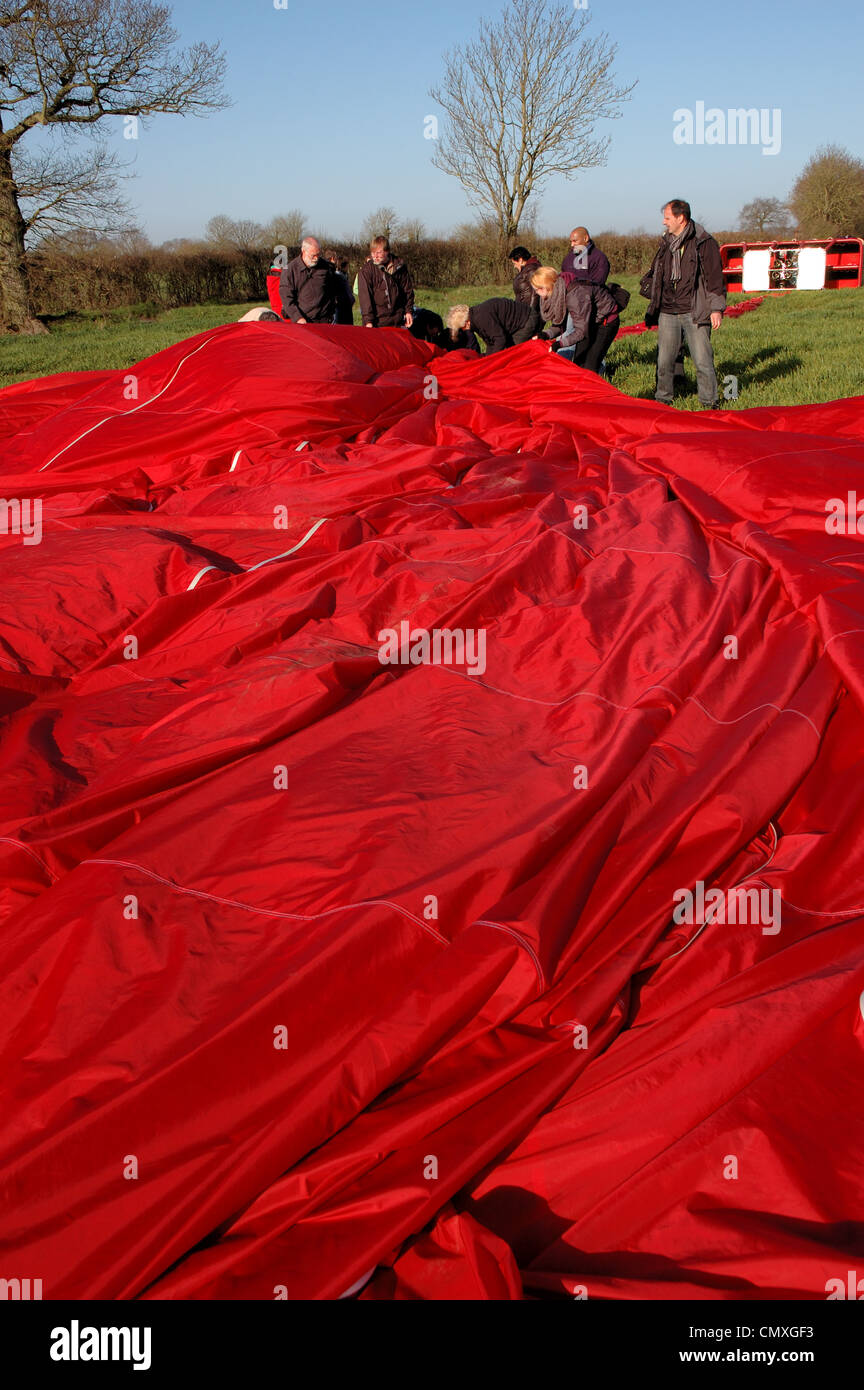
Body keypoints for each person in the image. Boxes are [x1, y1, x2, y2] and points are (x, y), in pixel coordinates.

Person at [640, 199, 726, 408]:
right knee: (664, 360)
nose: (664, 222)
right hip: (668, 310)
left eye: (667, 217)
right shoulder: (665, 243)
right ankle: (662, 400)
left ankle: (709, 402)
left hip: (695, 310)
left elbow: (715, 278)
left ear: (681, 218)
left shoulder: (704, 242)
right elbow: (657, 272)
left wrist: (716, 309)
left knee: (703, 361)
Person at [530, 265, 621, 374]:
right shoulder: (560, 291)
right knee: (578, 364)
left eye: (536, 290)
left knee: (589, 369)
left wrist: (559, 344)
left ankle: (602, 378)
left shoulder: (575, 296)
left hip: (606, 322)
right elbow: (561, 324)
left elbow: (580, 332)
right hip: (589, 322)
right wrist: (545, 334)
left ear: (545, 287)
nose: (536, 293)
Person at [279, 237, 352, 324]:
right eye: (313, 255)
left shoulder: (326, 267)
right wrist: (298, 318)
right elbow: (287, 299)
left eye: (318, 255)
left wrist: (332, 312)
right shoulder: (290, 271)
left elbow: (334, 290)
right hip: (303, 322)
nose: (316, 258)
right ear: (303, 252)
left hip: (325, 321)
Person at [446, 299, 541, 355]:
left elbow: (500, 340)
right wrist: (487, 358)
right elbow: (491, 342)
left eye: (461, 328)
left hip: (526, 320)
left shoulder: (481, 318)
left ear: (466, 323)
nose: (464, 330)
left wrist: (491, 362)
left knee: (514, 352)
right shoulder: (476, 317)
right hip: (517, 322)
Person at [357, 237, 415, 329]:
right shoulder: (366, 271)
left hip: (398, 321)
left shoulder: (400, 267)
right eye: (372, 253)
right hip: (378, 322)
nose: (375, 256)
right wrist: (368, 322)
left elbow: (407, 291)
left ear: (387, 251)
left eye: (379, 252)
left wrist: (408, 311)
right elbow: (365, 299)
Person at [324, 248, 355, 324]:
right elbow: (349, 297)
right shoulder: (339, 276)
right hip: (339, 307)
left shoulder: (323, 272)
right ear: (333, 259)